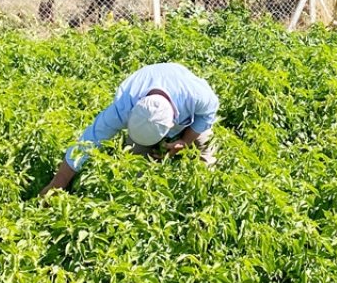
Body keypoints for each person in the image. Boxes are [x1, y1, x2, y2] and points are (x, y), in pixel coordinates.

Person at [40, 62, 219, 196]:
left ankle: (207, 194)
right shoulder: (124, 106)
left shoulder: (197, 96)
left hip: (188, 111)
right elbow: (88, 142)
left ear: (173, 123)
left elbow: (207, 116)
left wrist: (184, 141)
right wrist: (58, 182)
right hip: (151, 99)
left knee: (205, 156)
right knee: (135, 168)